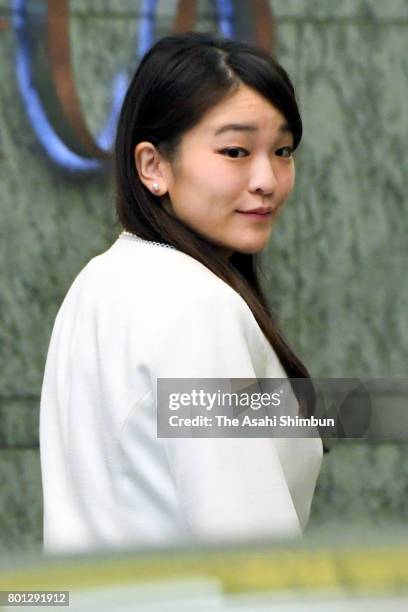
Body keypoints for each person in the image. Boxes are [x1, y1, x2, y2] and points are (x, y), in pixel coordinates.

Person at [40, 31, 323, 555]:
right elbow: (254, 559)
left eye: (283, 150)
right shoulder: (198, 306)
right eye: (235, 151)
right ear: (153, 166)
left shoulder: (98, 283)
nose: (267, 179)